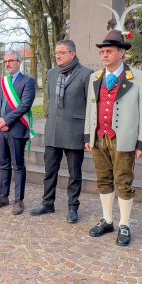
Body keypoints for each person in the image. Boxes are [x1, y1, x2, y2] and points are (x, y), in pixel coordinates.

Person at [83, 31, 142, 244]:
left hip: (124, 138)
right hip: (99, 137)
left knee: (123, 180)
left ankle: (124, 224)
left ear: (121, 53)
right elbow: (90, 109)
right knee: (103, 179)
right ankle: (107, 220)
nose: (104, 55)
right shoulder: (94, 77)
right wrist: (88, 135)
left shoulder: (140, 78)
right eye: (102, 51)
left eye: (109, 51)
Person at [30, 40, 92, 223]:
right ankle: (47, 203)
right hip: (53, 130)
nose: (57, 55)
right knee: (50, 170)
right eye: (56, 52)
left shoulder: (86, 74)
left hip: (75, 131)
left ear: (72, 54)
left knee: (74, 173)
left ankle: (73, 207)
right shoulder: (52, 73)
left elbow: (91, 106)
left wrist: (88, 133)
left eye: (62, 52)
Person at [0, 51, 36, 215]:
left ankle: (18, 200)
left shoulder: (27, 82)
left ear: (19, 62)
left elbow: (25, 106)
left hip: (16, 130)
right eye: (5, 61)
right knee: (3, 164)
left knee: (18, 165)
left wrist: (6, 121)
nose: (7, 63)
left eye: (11, 61)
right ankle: (3, 196)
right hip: (0, 130)